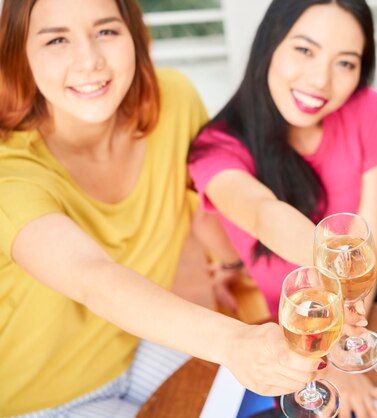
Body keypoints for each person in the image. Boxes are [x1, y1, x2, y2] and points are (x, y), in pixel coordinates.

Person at [0, 0, 324, 416]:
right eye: (57, 39)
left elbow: (195, 201)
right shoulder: (9, 174)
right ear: (19, 55)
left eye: (106, 31)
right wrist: (235, 342)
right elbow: (91, 278)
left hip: (134, 347)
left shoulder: (174, 100)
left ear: (134, 36)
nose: (90, 61)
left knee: (280, 403)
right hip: (46, 395)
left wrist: (228, 265)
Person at [188, 0, 377, 416]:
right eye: (304, 49)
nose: (320, 80)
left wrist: (349, 335)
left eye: (345, 63)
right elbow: (262, 212)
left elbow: (369, 235)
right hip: (312, 312)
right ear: (270, 45)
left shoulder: (368, 109)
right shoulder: (216, 150)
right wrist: (333, 348)